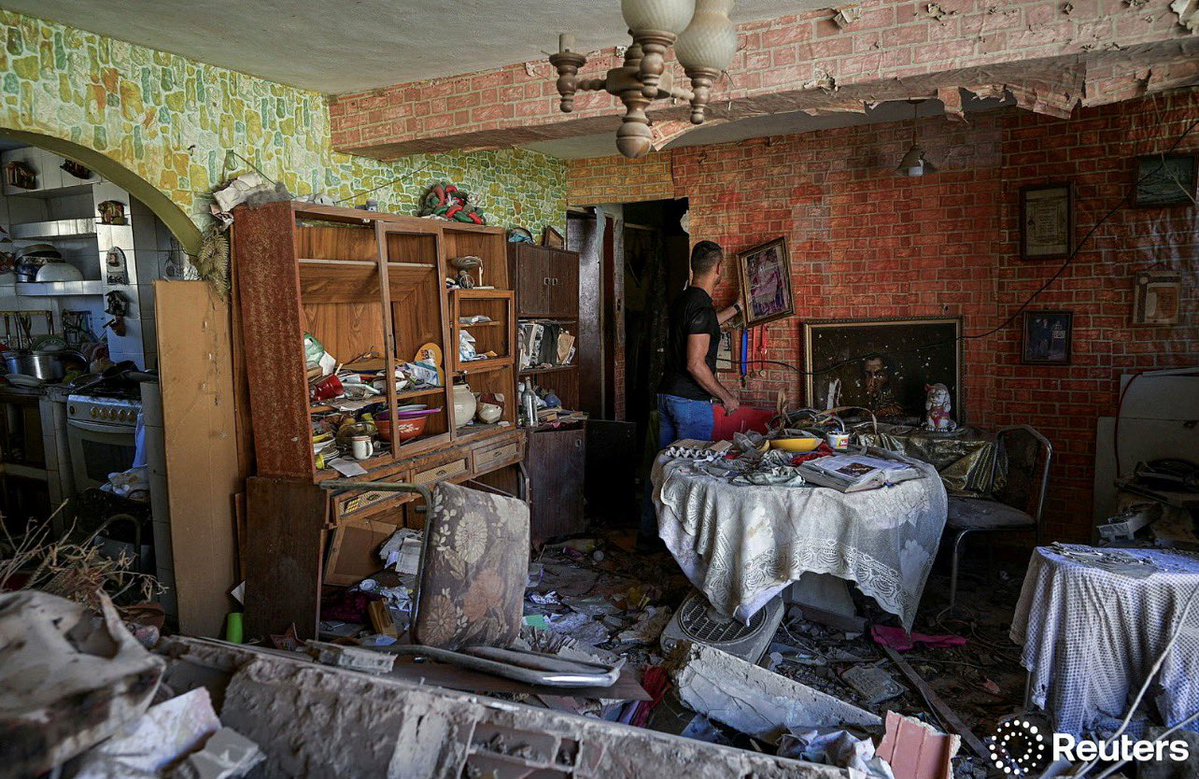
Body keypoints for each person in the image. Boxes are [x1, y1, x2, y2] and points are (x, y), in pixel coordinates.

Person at [640, 241, 741, 547]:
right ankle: (689, 547)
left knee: (664, 471)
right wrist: (725, 396)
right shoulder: (700, 306)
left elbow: (703, 325)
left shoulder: (684, 301)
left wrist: (735, 310)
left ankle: (653, 540)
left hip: (667, 396)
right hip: (690, 402)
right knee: (696, 477)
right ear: (719, 269)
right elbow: (695, 364)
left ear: (693, 268)